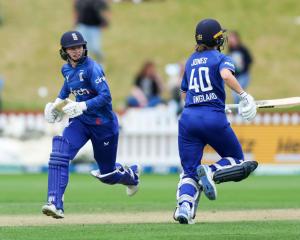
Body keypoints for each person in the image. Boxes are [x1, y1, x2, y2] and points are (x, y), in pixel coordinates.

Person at [42, 31, 139, 219]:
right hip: (81, 122)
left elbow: (106, 97)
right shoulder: (66, 69)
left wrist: (83, 105)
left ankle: (131, 175)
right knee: (59, 152)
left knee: (108, 174)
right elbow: (67, 88)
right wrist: (56, 105)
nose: (76, 51)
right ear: (65, 51)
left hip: (103, 124)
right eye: (72, 48)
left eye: (79, 47)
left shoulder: (92, 68)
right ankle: (55, 203)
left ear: (84, 47)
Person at [173, 19, 258, 224]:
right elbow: (226, 76)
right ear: (217, 39)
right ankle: (210, 172)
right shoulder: (221, 58)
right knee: (238, 160)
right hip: (212, 118)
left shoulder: (191, 60)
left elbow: (185, 92)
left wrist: (212, 101)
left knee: (189, 171)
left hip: (188, 119)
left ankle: (184, 206)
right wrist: (244, 95)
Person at [228, 31, 253, 104]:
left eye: (232, 38)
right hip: (236, 77)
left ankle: (242, 110)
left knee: (238, 94)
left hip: (243, 75)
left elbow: (250, 60)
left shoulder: (242, 49)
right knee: (235, 95)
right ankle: (239, 112)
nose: (230, 40)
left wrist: (244, 68)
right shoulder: (230, 51)